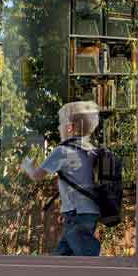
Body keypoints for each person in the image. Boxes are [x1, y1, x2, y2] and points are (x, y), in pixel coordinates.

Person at [21, 101, 102, 256]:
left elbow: (38, 176)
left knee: (87, 257)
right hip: (90, 210)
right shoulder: (90, 150)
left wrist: (27, 166)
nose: (59, 128)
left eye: (60, 124)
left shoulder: (63, 151)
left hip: (76, 212)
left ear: (69, 128)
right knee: (63, 256)